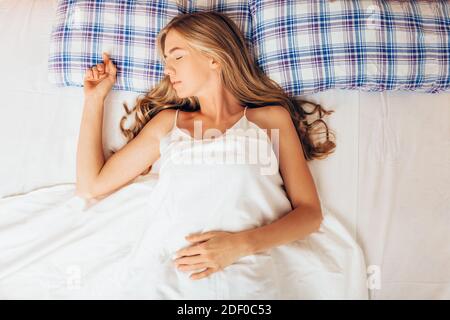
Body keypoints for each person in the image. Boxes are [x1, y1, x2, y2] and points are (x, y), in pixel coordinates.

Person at [76, 11, 367, 299]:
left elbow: (309, 214)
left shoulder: (270, 120)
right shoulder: (168, 124)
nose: (168, 70)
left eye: (177, 57)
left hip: (248, 276)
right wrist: (94, 99)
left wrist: (240, 245)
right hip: (170, 278)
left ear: (214, 57)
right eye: (166, 61)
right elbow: (91, 186)